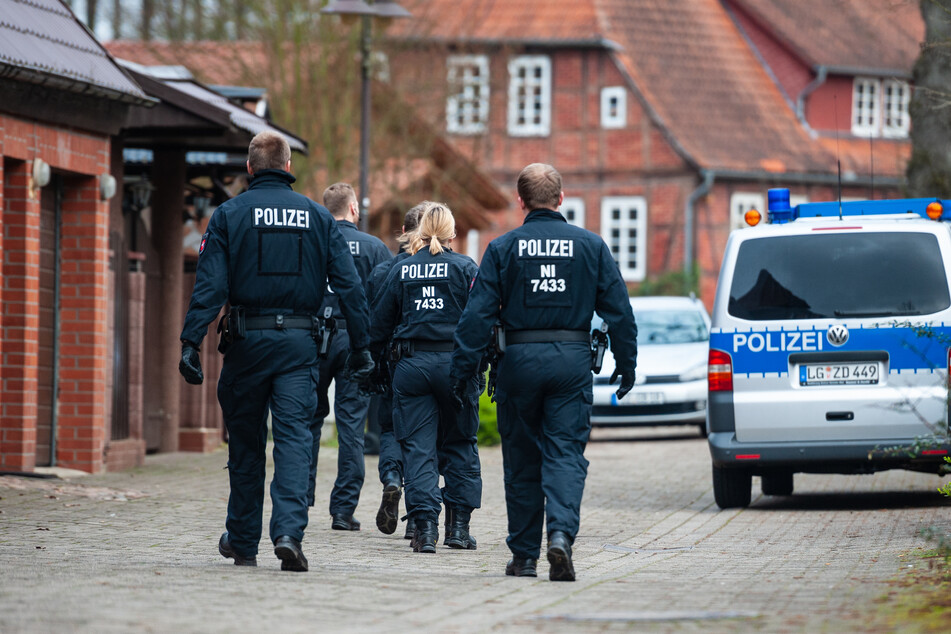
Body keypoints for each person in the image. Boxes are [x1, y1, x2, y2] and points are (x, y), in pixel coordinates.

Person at [178, 131, 374, 572]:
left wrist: (191, 341)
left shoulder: (229, 214)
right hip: (299, 349)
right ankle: (288, 534)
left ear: (250, 168)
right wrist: (362, 346)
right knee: (293, 442)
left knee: (246, 446)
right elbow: (350, 288)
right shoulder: (319, 218)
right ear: (288, 168)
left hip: (247, 345)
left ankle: (244, 542)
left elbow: (210, 286)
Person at [449, 163, 637, 581]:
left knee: (522, 460)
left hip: (518, 362)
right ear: (561, 198)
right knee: (565, 454)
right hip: (571, 362)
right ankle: (562, 537)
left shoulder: (502, 248)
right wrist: (627, 365)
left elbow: (476, 316)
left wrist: (463, 371)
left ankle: (523, 556)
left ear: (520, 201)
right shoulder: (591, 246)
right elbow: (620, 313)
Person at [366, 203, 483, 553]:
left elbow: (378, 326)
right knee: (461, 443)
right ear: (452, 234)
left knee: (418, 450)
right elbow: (483, 320)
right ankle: (459, 530)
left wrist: (376, 367)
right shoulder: (465, 269)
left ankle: (426, 530)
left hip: (412, 366)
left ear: (415, 234)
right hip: (456, 367)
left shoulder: (402, 270)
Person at [308, 183, 392, 531]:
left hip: (313, 336)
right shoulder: (374, 248)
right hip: (356, 341)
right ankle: (343, 510)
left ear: (326, 210)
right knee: (352, 426)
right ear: (354, 209)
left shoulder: (313, 242)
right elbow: (387, 299)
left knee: (306, 420)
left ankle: (299, 497)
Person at [364, 202, 425, 538]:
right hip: (426, 362)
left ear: (403, 233)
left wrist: (371, 364)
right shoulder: (444, 267)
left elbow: (375, 321)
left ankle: (390, 478)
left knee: (390, 430)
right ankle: (418, 518)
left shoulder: (384, 271)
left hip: (391, 364)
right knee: (423, 440)